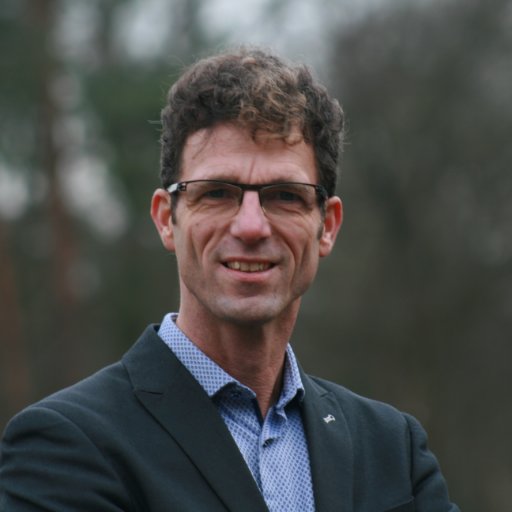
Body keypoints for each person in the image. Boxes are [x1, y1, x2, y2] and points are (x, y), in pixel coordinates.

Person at [0, 47, 459, 512]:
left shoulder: (392, 450)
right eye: (217, 193)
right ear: (166, 219)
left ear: (328, 226)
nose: (251, 226)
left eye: (285, 196)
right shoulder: (67, 446)